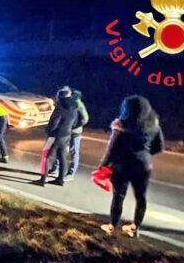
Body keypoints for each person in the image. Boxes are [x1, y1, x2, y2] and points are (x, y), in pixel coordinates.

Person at [98, 95, 164, 238]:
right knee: (141, 197)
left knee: (119, 196)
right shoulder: (153, 124)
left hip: (122, 165)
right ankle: (135, 228)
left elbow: (112, 149)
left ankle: (112, 226)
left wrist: (102, 165)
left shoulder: (121, 125)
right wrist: (143, 154)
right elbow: (159, 147)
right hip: (143, 166)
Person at [35, 87, 78, 186]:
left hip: (55, 135)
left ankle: (42, 180)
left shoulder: (60, 107)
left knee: (48, 156)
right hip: (67, 135)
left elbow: (54, 122)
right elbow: (75, 123)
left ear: (60, 97)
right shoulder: (74, 107)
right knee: (62, 157)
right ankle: (60, 180)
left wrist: (49, 131)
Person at [50, 89, 89, 181]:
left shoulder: (77, 103)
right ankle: (56, 169)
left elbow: (85, 118)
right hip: (65, 131)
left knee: (73, 151)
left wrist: (75, 126)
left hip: (75, 132)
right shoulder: (65, 102)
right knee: (60, 150)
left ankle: (71, 173)